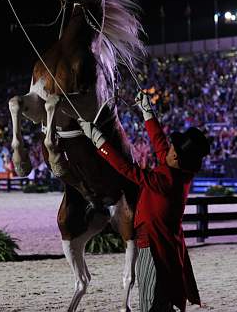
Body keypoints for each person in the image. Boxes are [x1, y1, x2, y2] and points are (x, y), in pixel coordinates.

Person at [78, 91, 209, 312]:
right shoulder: (179, 171)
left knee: (151, 302)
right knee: (161, 300)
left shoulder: (165, 179)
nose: (168, 149)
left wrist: (99, 140)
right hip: (165, 245)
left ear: (176, 157)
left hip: (154, 245)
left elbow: (126, 169)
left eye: (172, 149)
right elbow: (160, 145)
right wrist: (147, 113)